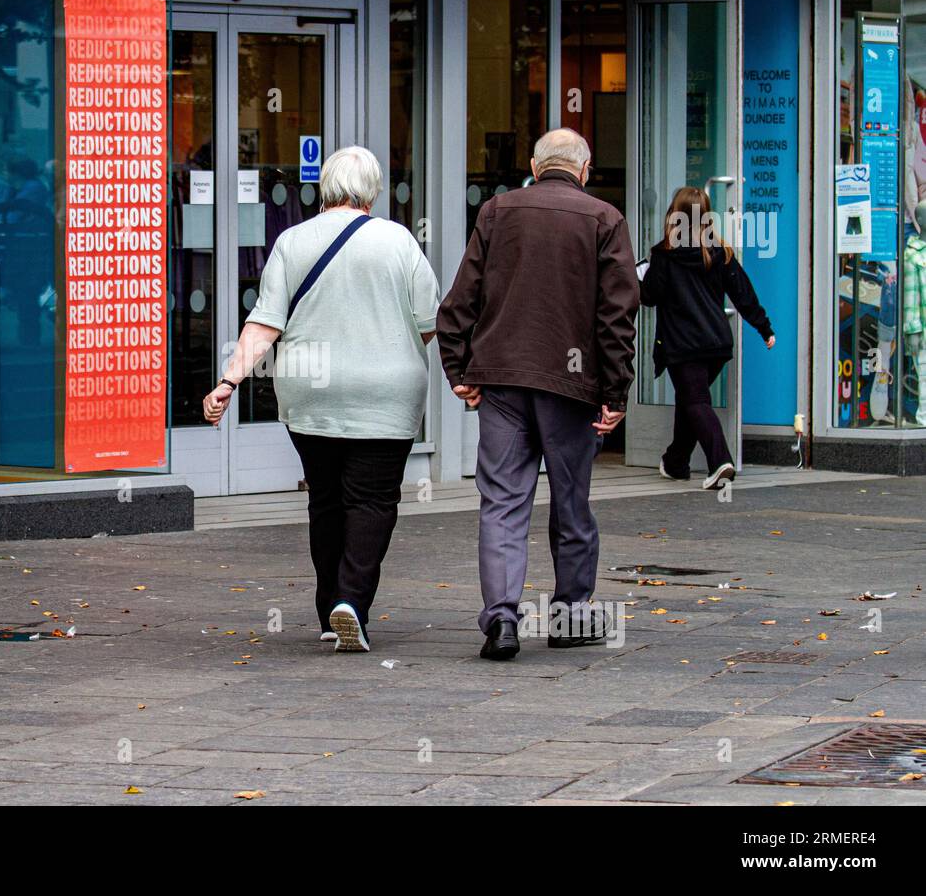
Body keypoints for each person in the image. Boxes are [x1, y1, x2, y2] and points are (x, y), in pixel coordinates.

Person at [203, 146, 440, 653]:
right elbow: (427, 324)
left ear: (325, 186)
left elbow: (264, 323)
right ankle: (351, 601)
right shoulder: (398, 240)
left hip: (311, 392)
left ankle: (328, 609)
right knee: (372, 500)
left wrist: (228, 381)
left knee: (326, 498)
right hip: (386, 394)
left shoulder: (292, 241)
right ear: (373, 190)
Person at [437, 128, 638, 661]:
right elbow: (617, 315)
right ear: (586, 168)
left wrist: (459, 368)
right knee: (571, 501)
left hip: (501, 376)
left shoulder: (497, 212)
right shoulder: (605, 220)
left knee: (502, 501)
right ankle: (571, 615)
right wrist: (615, 391)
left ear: (533, 164)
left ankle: (502, 619)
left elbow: (460, 298)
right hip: (570, 384)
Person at [640, 186, 775, 489]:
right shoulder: (720, 252)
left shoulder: (665, 254)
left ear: (674, 214)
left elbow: (649, 296)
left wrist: (640, 276)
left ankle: (720, 462)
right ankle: (676, 462)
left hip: (682, 345)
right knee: (689, 399)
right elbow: (743, 293)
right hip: (716, 344)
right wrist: (764, 327)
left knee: (695, 400)